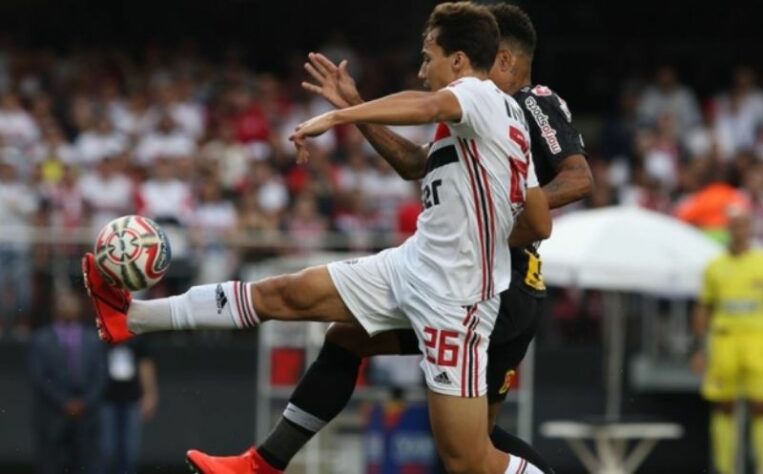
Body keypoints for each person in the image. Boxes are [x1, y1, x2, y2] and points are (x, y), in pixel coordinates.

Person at [82, 3, 550, 473]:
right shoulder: (497, 124)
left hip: (456, 299)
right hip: (414, 265)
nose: (422, 69)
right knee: (284, 293)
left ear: (460, 60)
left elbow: (426, 104)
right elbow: (516, 209)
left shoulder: (479, 96)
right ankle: (133, 319)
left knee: (469, 461)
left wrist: (337, 119)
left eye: (428, 57)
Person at [241, 4, 591, 473]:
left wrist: (501, 220)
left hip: (500, 287)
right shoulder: (470, 122)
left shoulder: (530, 102)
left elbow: (579, 176)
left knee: (470, 451)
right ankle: (266, 461)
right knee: (357, 345)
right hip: (468, 282)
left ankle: (266, 462)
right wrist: (354, 109)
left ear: (503, 59)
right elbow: (413, 164)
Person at [691, 204, 763, 474]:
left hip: (758, 341)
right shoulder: (715, 267)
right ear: (728, 228)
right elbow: (703, 307)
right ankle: (725, 468)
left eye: (743, 224)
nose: (739, 230)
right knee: (725, 406)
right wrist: (699, 348)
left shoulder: (761, 262)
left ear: (751, 227)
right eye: (734, 225)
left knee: (760, 405)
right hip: (724, 341)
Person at [27, 290, 107, 474]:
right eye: (63, 304)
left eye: (72, 303)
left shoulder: (93, 339)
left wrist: (85, 402)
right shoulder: (41, 339)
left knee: (85, 463)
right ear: (54, 309)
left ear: (79, 308)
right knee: (51, 464)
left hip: (86, 415)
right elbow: (39, 377)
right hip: (53, 414)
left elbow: (100, 375)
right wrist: (64, 402)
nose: (68, 308)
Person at [101, 339, 159, 474]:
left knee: (129, 450)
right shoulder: (102, 331)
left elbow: (145, 364)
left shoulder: (134, 334)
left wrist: (150, 393)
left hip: (132, 398)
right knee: (106, 449)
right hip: (105, 398)